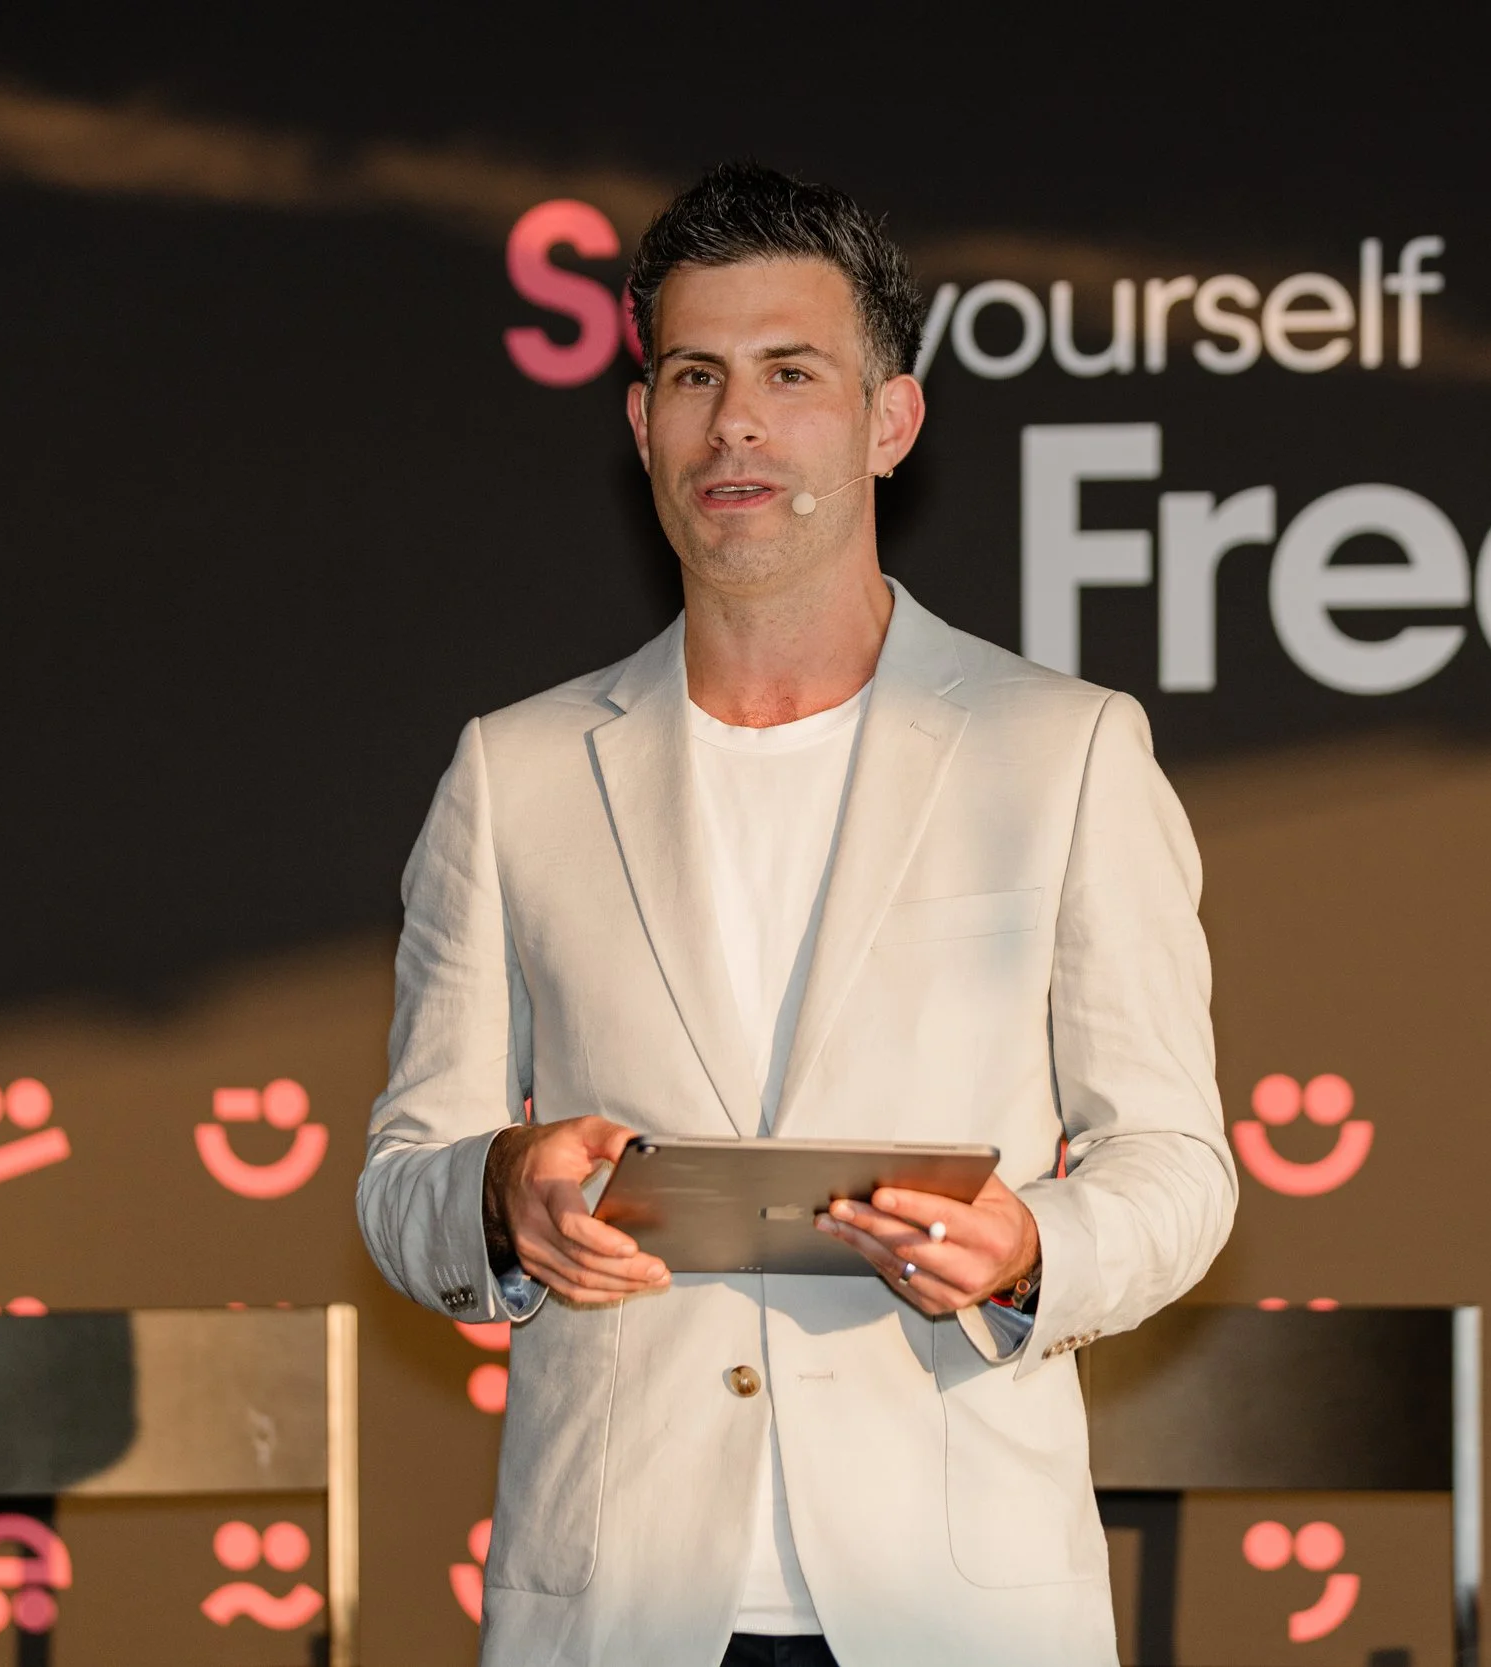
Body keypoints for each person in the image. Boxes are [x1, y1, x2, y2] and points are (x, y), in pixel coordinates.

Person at [358, 162, 1235, 1667]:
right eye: (693, 376)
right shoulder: (514, 774)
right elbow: (401, 1179)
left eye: (789, 373)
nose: (736, 423)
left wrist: (1035, 1245)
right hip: (618, 1604)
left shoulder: (1065, 748)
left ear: (892, 420)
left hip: (956, 1607)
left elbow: (1178, 1163)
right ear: (641, 425)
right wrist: (508, 1192)